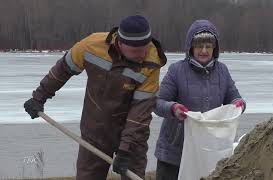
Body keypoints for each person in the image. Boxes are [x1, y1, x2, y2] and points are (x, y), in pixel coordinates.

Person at [23, 15, 167, 180]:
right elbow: (63, 69)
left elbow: (140, 113)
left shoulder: (152, 62)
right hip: (95, 131)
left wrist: (126, 150)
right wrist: (39, 97)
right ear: (120, 42)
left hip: (133, 136)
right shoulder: (91, 45)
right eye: (136, 51)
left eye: (145, 48)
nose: (143, 55)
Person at [154, 19, 246, 180]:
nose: (204, 51)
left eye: (208, 46)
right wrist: (173, 108)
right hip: (174, 152)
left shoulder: (222, 71)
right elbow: (157, 102)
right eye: (199, 46)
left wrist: (238, 104)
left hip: (207, 151)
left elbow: (233, 97)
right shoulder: (176, 71)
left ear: (214, 49)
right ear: (191, 47)